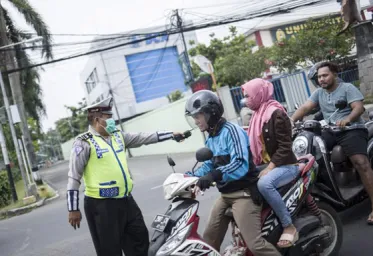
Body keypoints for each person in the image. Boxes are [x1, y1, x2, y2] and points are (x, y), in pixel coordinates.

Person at [66, 96, 184, 256]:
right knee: (110, 250)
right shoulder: (83, 142)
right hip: (101, 206)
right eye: (108, 118)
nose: (112, 121)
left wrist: (171, 135)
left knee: (140, 240)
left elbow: (143, 137)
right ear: (96, 119)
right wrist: (73, 209)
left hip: (126, 201)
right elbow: (74, 177)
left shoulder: (117, 135)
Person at [184, 90, 280, 256]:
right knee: (208, 240)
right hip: (226, 194)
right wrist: (189, 178)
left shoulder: (231, 131)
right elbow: (208, 164)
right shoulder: (211, 137)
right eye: (194, 117)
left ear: (210, 113)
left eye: (198, 116)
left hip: (244, 194)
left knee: (255, 245)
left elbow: (239, 164)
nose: (196, 121)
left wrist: (215, 175)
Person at [292, 61, 373, 225]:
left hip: (352, 129)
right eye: (319, 77)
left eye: (325, 75)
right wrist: (291, 120)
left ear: (334, 74)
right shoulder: (319, 93)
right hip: (330, 130)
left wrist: (347, 119)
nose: (321, 79)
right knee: (309, 156)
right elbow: (305, 107)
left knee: (361, 163)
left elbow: (358, 108)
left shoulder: (347, 88)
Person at [241, 78, 299, 248]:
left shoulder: (275, 113)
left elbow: (285, 146)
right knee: (240, 180)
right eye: (245, 97)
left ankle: (288, 225)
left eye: (249, 96)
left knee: (265, 183)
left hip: (286, 165)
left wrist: (271, 167)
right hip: (268, 165)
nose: (246, 100)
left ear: (259, 94)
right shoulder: (257, 115)